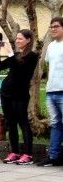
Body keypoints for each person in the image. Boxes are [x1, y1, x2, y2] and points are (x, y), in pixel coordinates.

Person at [0, 29, 39, 165]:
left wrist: (9, 53)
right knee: (11, 123)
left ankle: (28, 154)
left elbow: (19, 70)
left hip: (19, 94)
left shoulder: (32, 56)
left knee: (23, 122)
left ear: (28, 40)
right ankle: (14, 152)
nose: (17, 41)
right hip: (6, 93)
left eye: (20, 39)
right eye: (16, 39)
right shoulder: (15, 55)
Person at [40, 16, 63, 166]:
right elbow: (48, 66)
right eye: (51, 27)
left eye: (56, 26)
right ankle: (53, 156)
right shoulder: (51, 46)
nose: (53, 29)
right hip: (51, 91)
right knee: (55, 124)